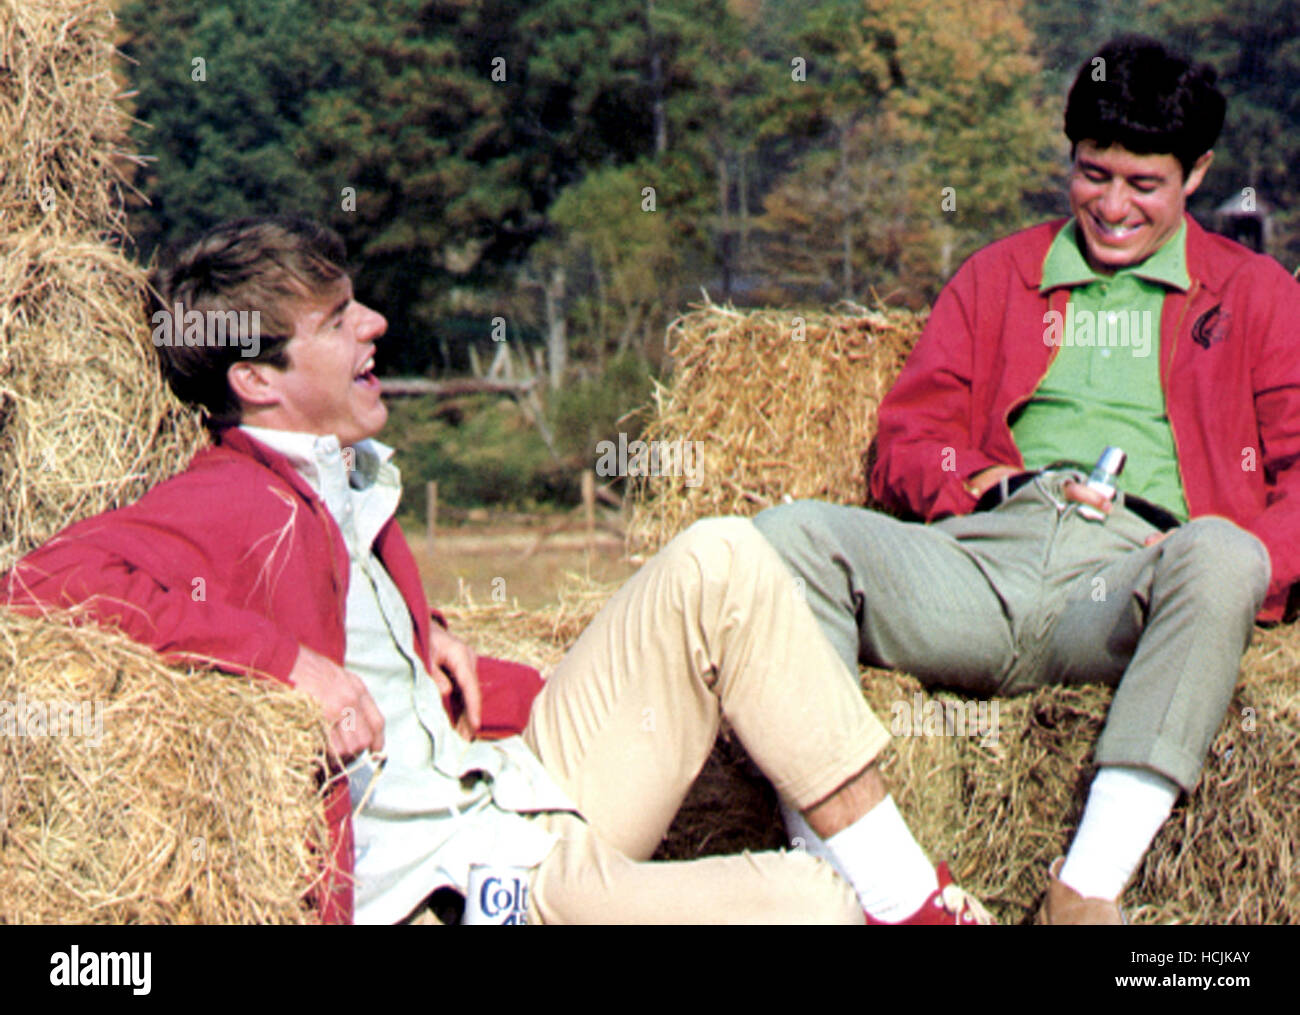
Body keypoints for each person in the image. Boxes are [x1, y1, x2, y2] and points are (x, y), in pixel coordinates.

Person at [2, 215, 993, 925]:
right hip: (474, 885)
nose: (375, 324)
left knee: (723, 557)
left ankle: (910, 899)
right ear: (256, 379)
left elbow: (349, 609)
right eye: (338, 318)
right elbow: (34, 585)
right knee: (808, 905)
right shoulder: (226, 496)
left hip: (516, 793)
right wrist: (280, 661)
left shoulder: (344, 479)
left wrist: (415, 632)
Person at [753, 35, 1300, 924]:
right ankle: (852, 882)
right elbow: (908, 436)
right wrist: (985, 486)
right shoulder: (998, 274)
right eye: (1093, 175)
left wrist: (1225, 557)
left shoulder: (1262, 294)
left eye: (1143, 184)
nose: (1112, 206)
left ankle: (1083, 894)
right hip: (985, 553)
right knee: (780, 541)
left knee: (1227, 555)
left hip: (1131, 577)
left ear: (1196, 174)